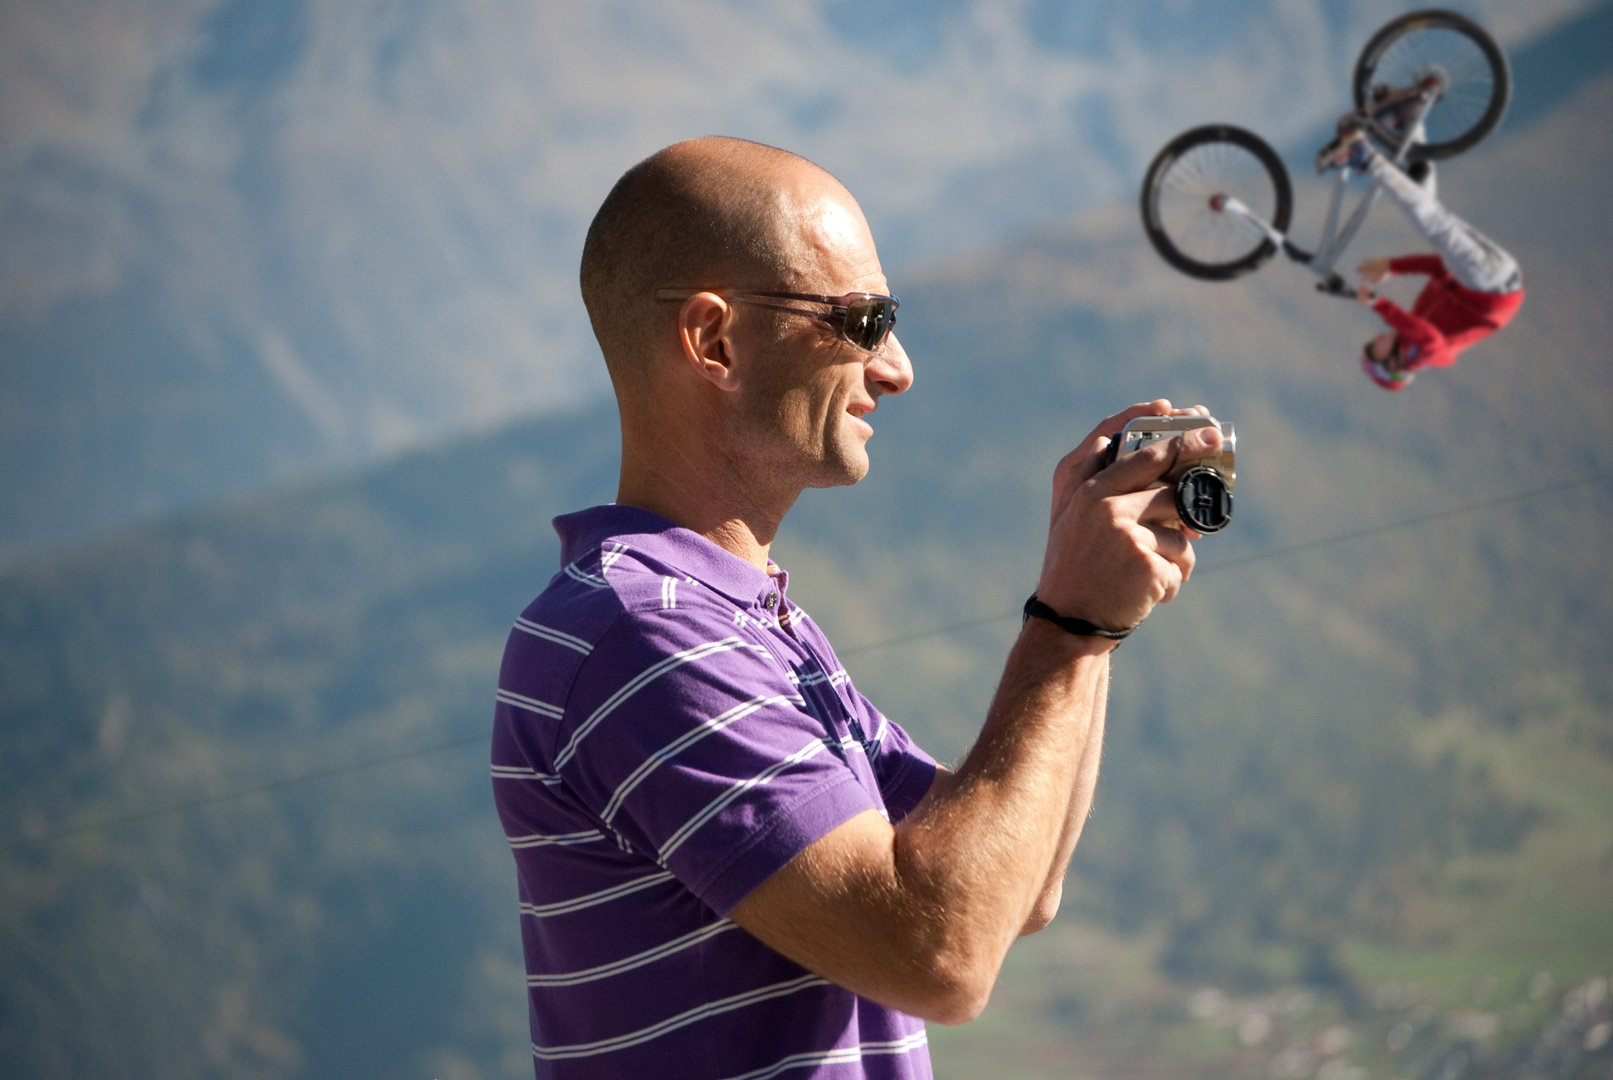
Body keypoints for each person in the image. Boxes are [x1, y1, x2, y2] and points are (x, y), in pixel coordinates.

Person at [490, 136, 1220, 1079]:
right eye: (864, 320)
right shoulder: (646, 632)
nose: (897, 368)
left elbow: (1016, 890)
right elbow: (940, 956)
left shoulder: (733, 620)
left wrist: (1097, 615)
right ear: (714, 341)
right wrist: (1068, 623)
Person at [1329, 130, 1524, 391]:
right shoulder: (1425, 356)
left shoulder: (1417, 320)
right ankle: (1366, 158)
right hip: (1491, 288)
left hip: (1500, 276)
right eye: (1376, 350)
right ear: (1393, 365)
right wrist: (1379, 303)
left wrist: (1393, 266)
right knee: (1432, 224)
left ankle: (1413, 120)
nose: (1375, 341)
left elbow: (1439, 265)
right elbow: (1428, 337)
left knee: (1426, 204)